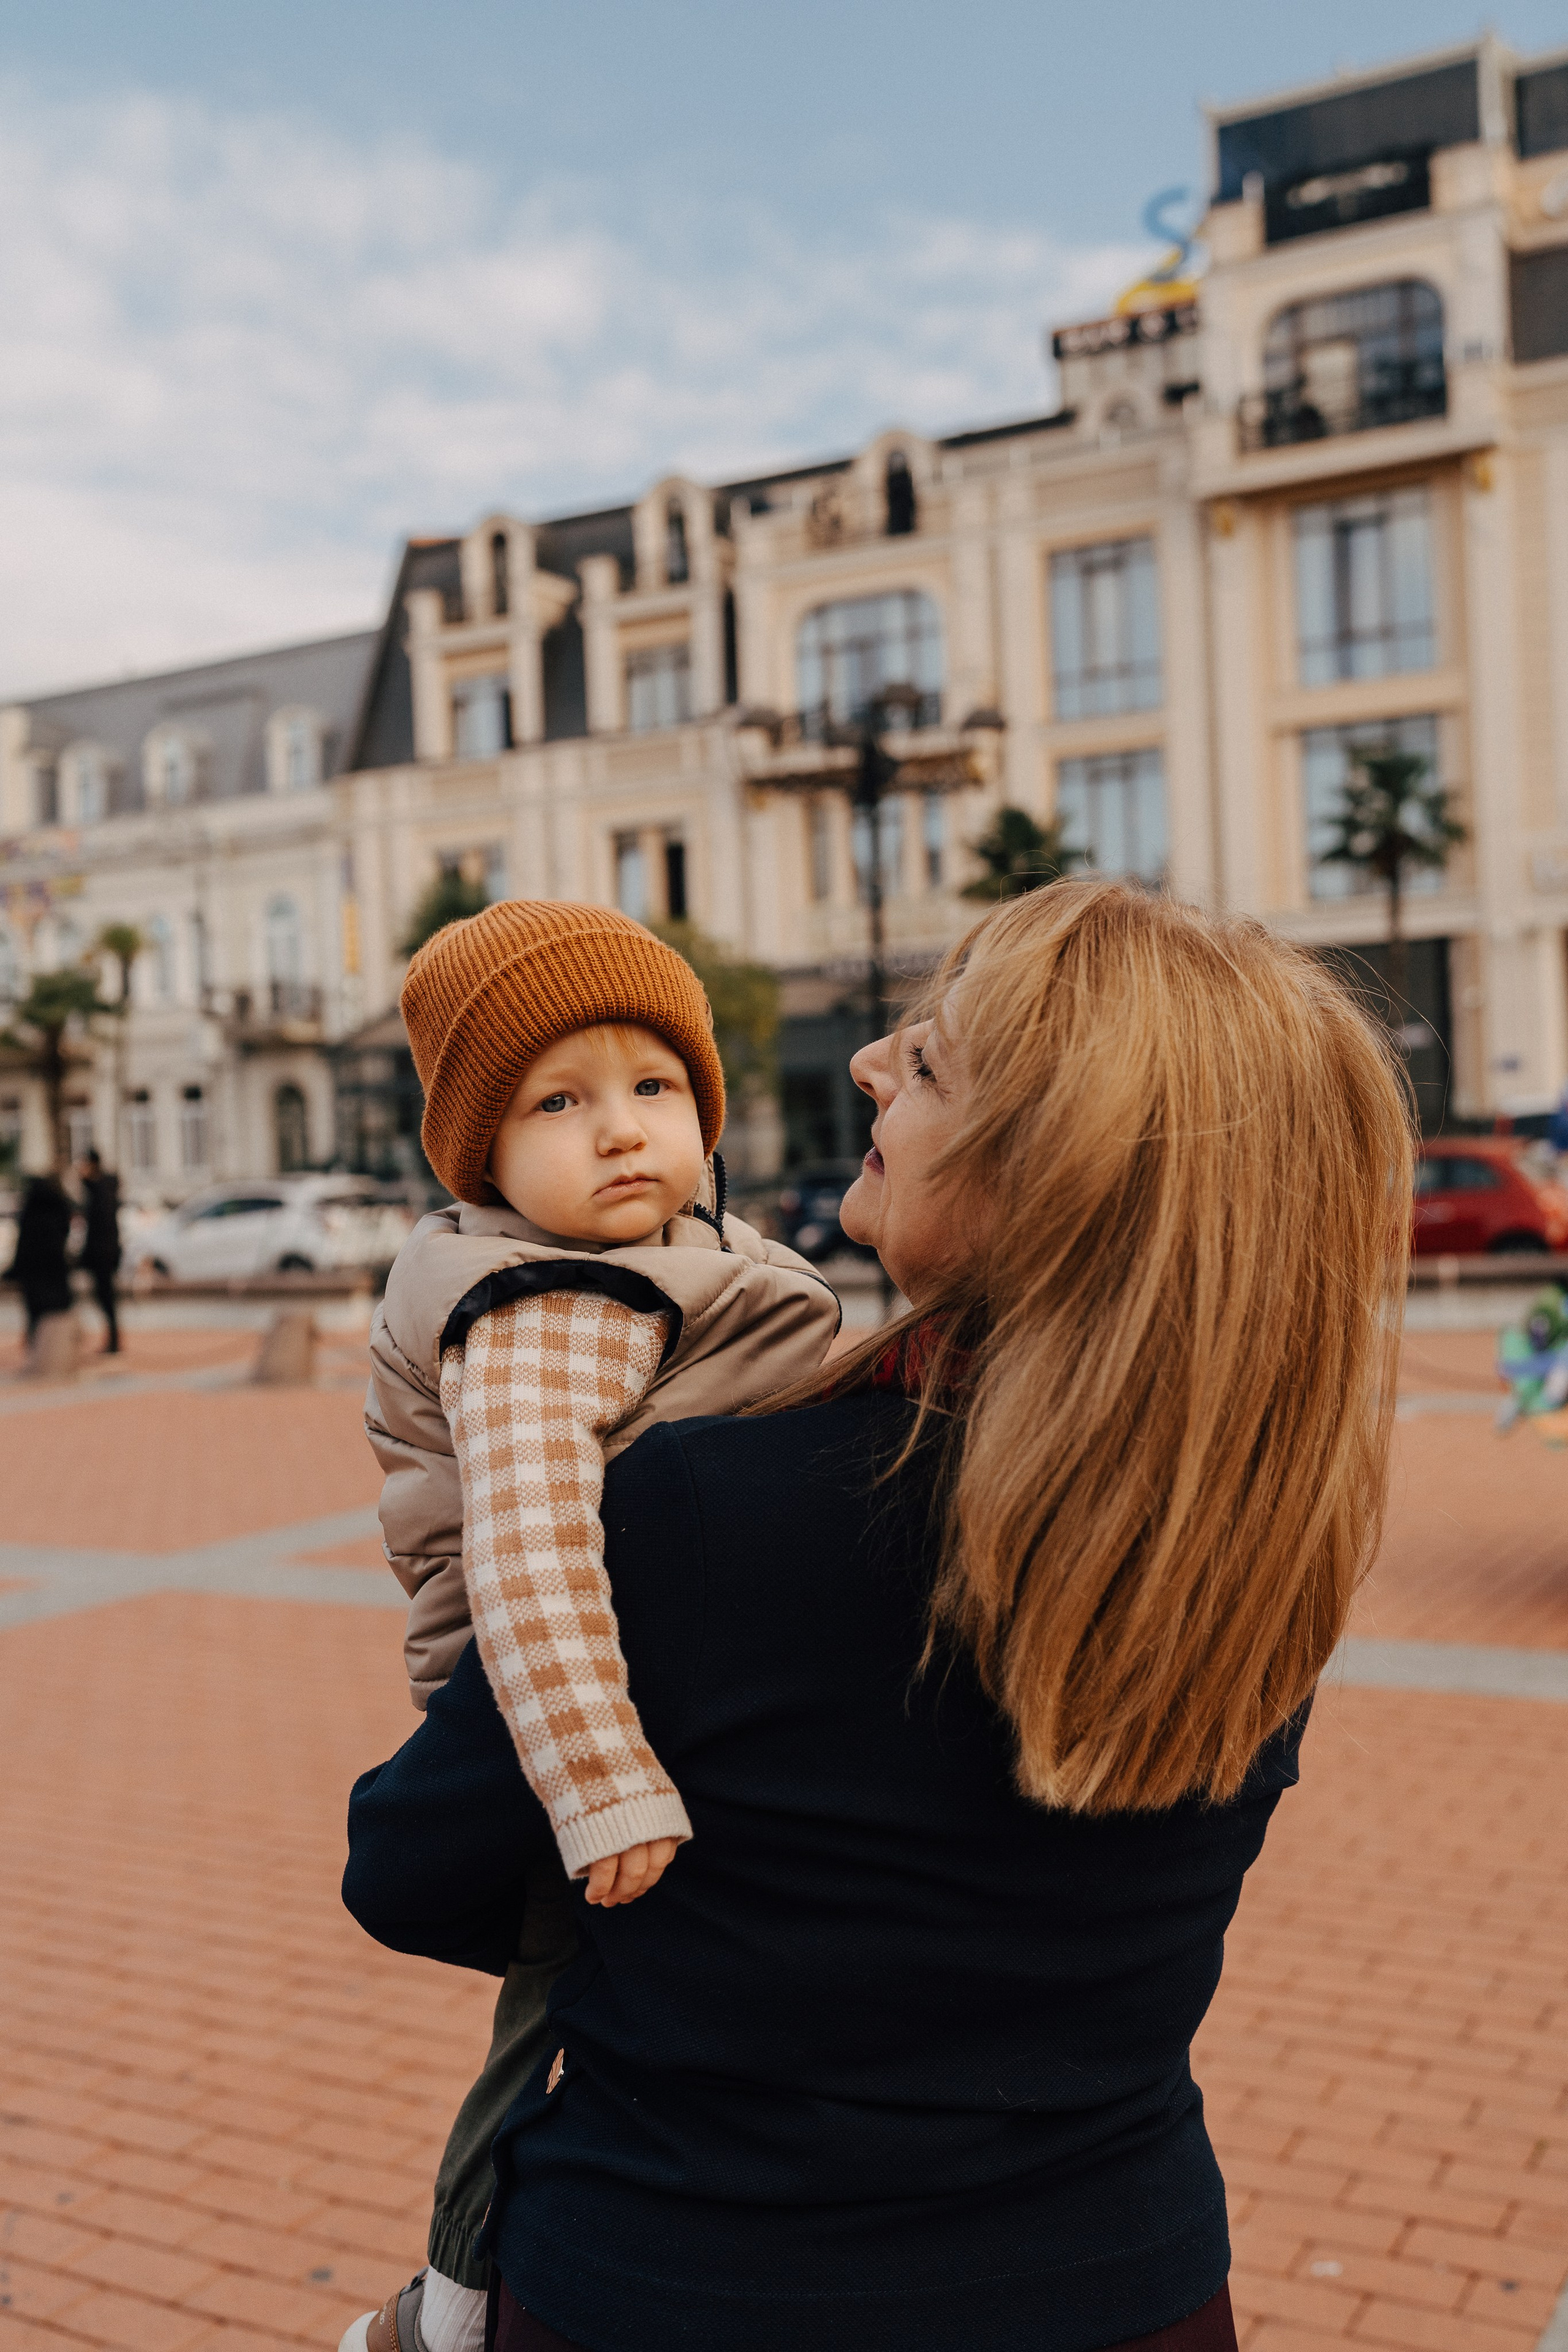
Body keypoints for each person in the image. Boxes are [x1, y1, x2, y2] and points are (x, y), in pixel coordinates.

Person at [344, 879, 1413, 2352]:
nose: (864, 1065)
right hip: (1121, 2282)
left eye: (924, 1060)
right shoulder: (1248, 1541)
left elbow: (409, 1868)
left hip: (691, 2278)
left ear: (1040, 1170)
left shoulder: (703, 1509)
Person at [344, 900, 839, 2352]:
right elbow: (532, 1549)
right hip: (549, 1709)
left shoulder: (668, 1251)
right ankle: (447, 2304)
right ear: (482, 1157)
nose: (619, 1129)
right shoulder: (540, 1307)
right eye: (555, 1103)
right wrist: (595, 1772)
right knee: (547, 2023)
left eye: (653, 1085)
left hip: (620, 1688)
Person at [7, 1168, 75, 1344]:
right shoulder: (60, 1207)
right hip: (54, 1267)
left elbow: (23, 1243)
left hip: (34, 1270)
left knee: (35, 1314)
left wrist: (16, 1269)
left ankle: (35, 1344)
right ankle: (53, 1347)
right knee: (55, 1315)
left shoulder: (31, 1210)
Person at [77, 1148, 123, 1354]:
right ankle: (113, 1340)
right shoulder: (102, 1187)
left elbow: (102, 1225)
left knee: (106, 1296)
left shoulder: (100, 1190)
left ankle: (113, 1341)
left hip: (102, 1253)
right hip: (105, 1252)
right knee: (105, 1296)